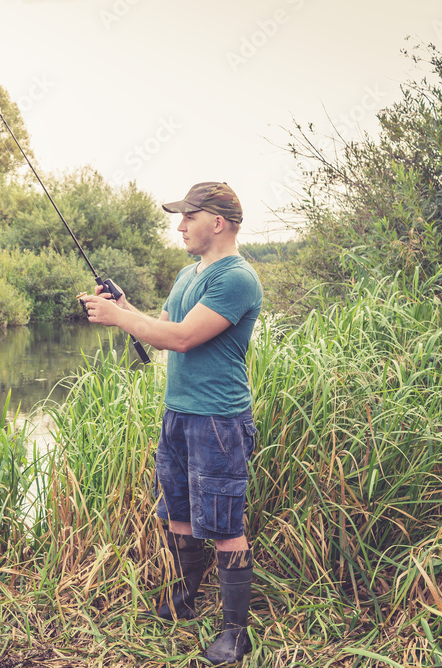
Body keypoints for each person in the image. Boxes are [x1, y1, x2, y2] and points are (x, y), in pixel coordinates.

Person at [79, 182, 262, 665]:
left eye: (188, 217)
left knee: (224, 525)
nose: (179, 226)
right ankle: (185, 599)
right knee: (178, 512)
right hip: (178, 414)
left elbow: (181, 338)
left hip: (219, 420)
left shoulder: (237, 279)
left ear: (217, 222)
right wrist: (126, 305)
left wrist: (119, 317)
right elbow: (160, 331)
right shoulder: (187, 274)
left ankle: (234, 633)